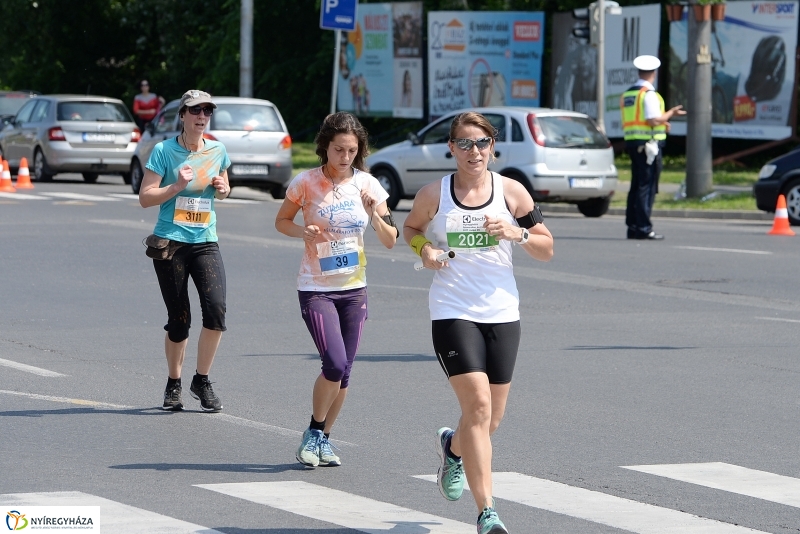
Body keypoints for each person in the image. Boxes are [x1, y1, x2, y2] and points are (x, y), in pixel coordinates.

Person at [403, 111, 553, 534]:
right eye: (465, 144)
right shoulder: (435, 193)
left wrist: (516, 234)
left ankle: (452, 448)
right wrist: (424, 251)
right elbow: (411, 228)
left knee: (489, 421)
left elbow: (546, 247)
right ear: (451, 148)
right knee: (479, 405)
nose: (474, 152)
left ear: (493, 146)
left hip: (503, 312)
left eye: (482, 143)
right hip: (452, 311)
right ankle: (488, 512)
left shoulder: (512, 192)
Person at [275, 111, 398, 468]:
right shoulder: (305, 182)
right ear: (325, 148)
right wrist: (303, 232)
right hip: (316, 287)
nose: (344, 157)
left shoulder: (369, 185)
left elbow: (391, 240)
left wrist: (373, 213)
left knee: (345, 371)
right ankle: (313, 432)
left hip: (353, 288)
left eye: (351, 151)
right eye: (338, 150)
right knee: (335, 362)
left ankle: (324, 440)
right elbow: (281, 220)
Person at [139, 90, 231, 413]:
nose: (201, 117)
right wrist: (176, 186)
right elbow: (145, 197)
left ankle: (201, 380)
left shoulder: (218, 150)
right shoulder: (163, 151)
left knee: (216, 311)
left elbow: (224, 185)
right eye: (195, 111)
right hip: (171, 243)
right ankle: (174, 382)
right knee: (180, 320)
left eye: (206, 111)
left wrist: (224, 188)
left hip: (205, 239)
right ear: (183, 115)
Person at [620, 55, 686, 240]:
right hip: (648, 146)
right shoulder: (648, 94)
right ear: (654, 73)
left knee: (636, 186)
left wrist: (661, 123)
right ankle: (643, 227)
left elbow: (641, 120)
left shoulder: (630, 93)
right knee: (646, 187)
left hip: (634, 143)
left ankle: (632, 226)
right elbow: (652, 119)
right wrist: (670, 114)